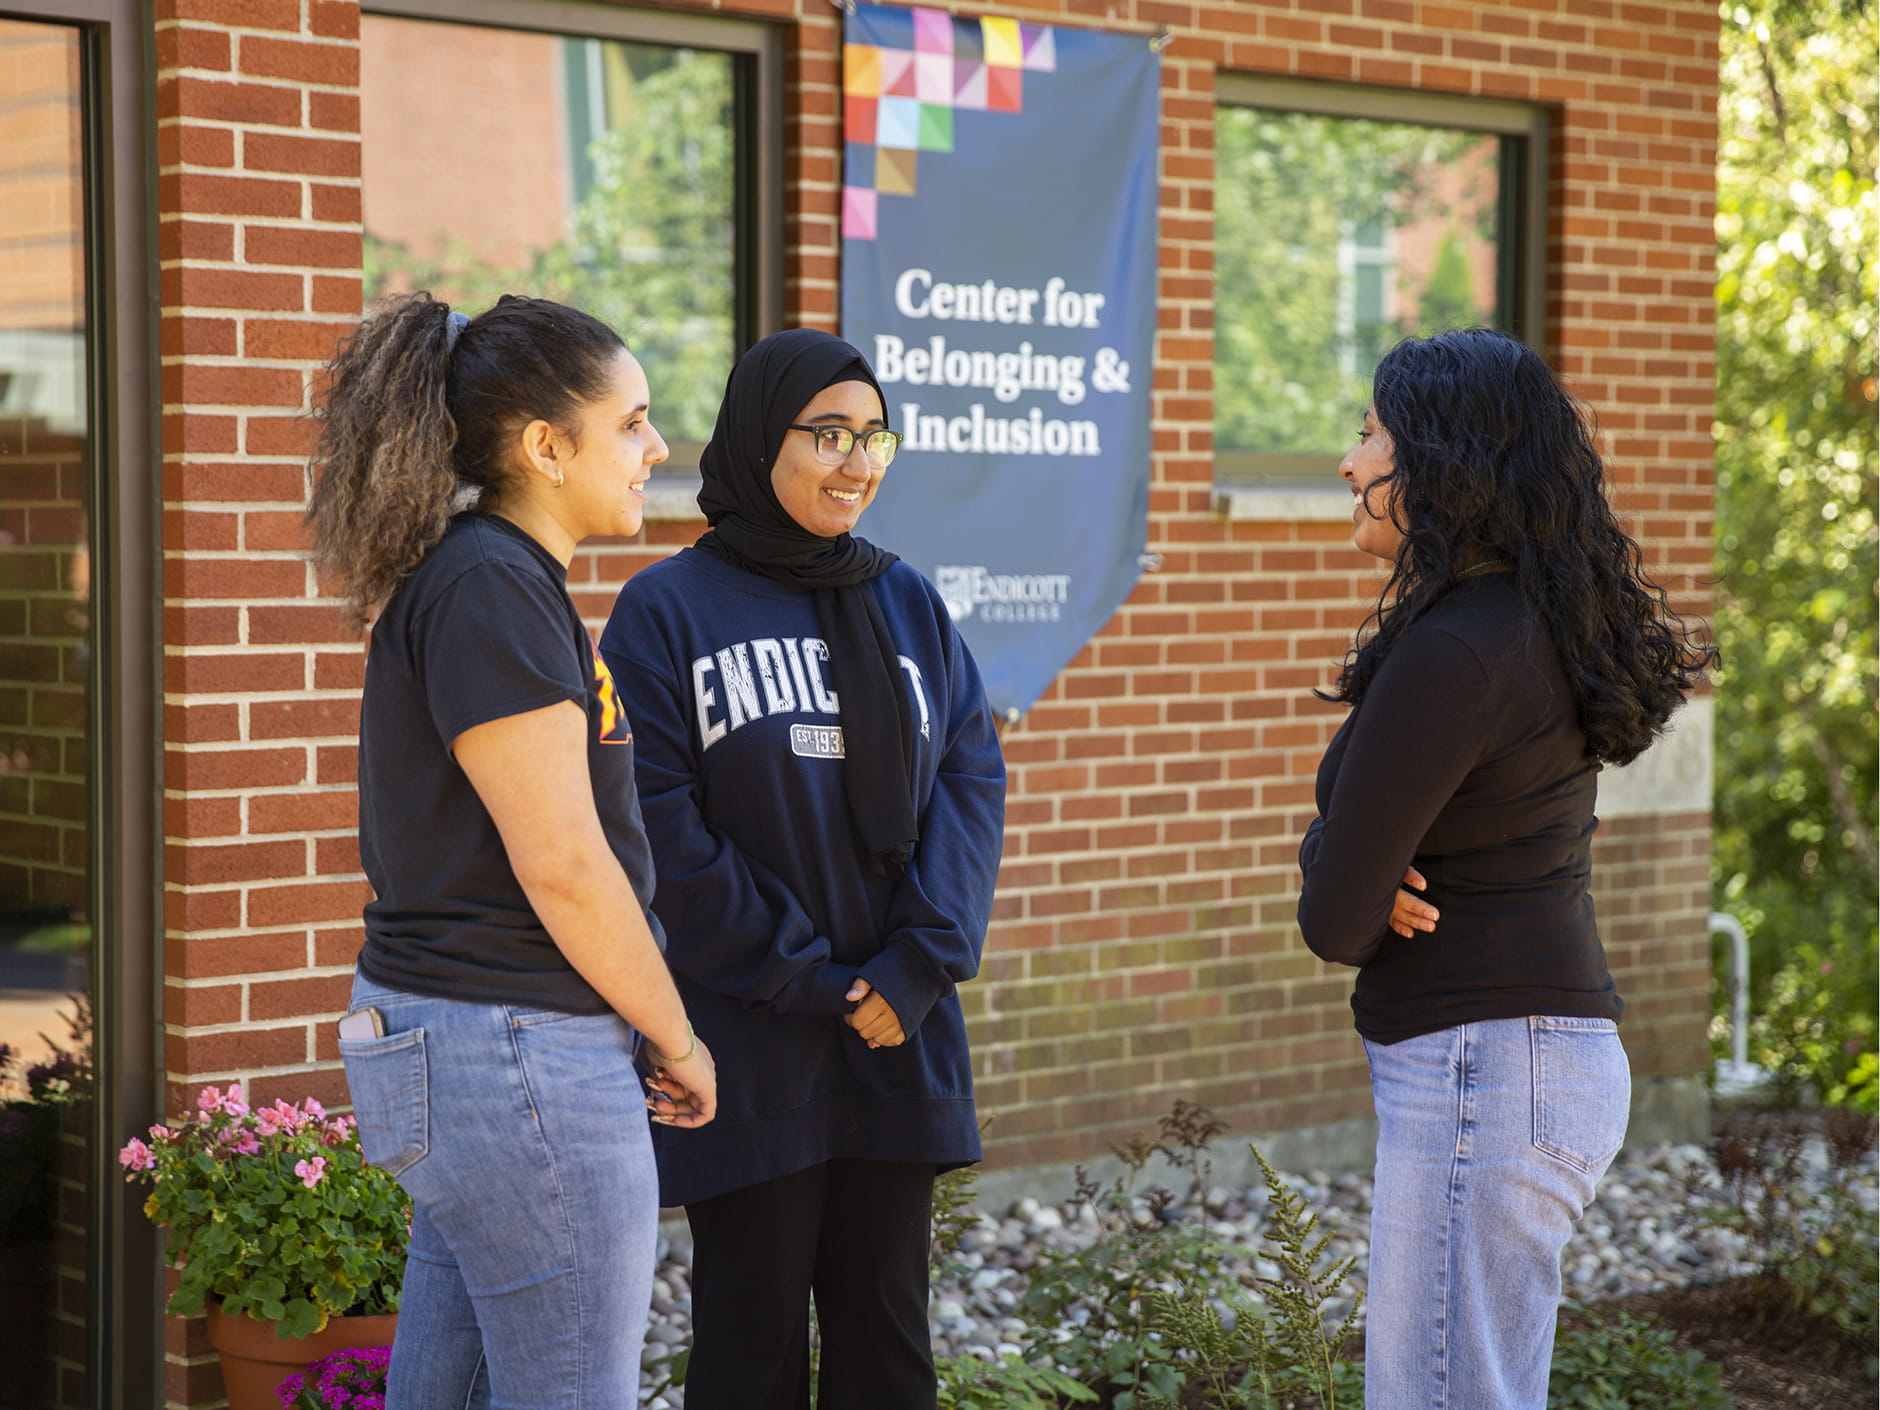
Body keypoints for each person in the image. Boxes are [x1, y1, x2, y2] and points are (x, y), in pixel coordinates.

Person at [306, 291, 717, 1409]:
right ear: (545, 445)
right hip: (515, 1055)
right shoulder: (490, 585)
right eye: (630, 422)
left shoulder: (492, 577)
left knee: (450, 1389)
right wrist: (674, 1033)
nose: (656, 448)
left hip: (472, 1050)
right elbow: (565, 865)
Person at [1295, 328, 1712, 1410]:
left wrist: (1345, 862)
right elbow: (1349, 869)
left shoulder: (1459, 651)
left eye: (1367, 434)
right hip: (1519, 1060)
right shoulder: (1511, 626)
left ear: (1438, 460)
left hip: (1485, 1068)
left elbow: (1335, 919)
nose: (1347, 463)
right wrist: (1346, 857)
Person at [600, 328, 1006, 1410]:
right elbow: (654, 823)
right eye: (828, 433)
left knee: (887, 1339)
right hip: (749, 1034)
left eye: (875, 437)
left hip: (894, 1028)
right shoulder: (665, 612)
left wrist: (916, 965)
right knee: (748, 1338)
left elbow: (970, 780)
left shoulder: (904, 599)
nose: (857, 462)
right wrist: (808, 978)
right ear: (753, 436)